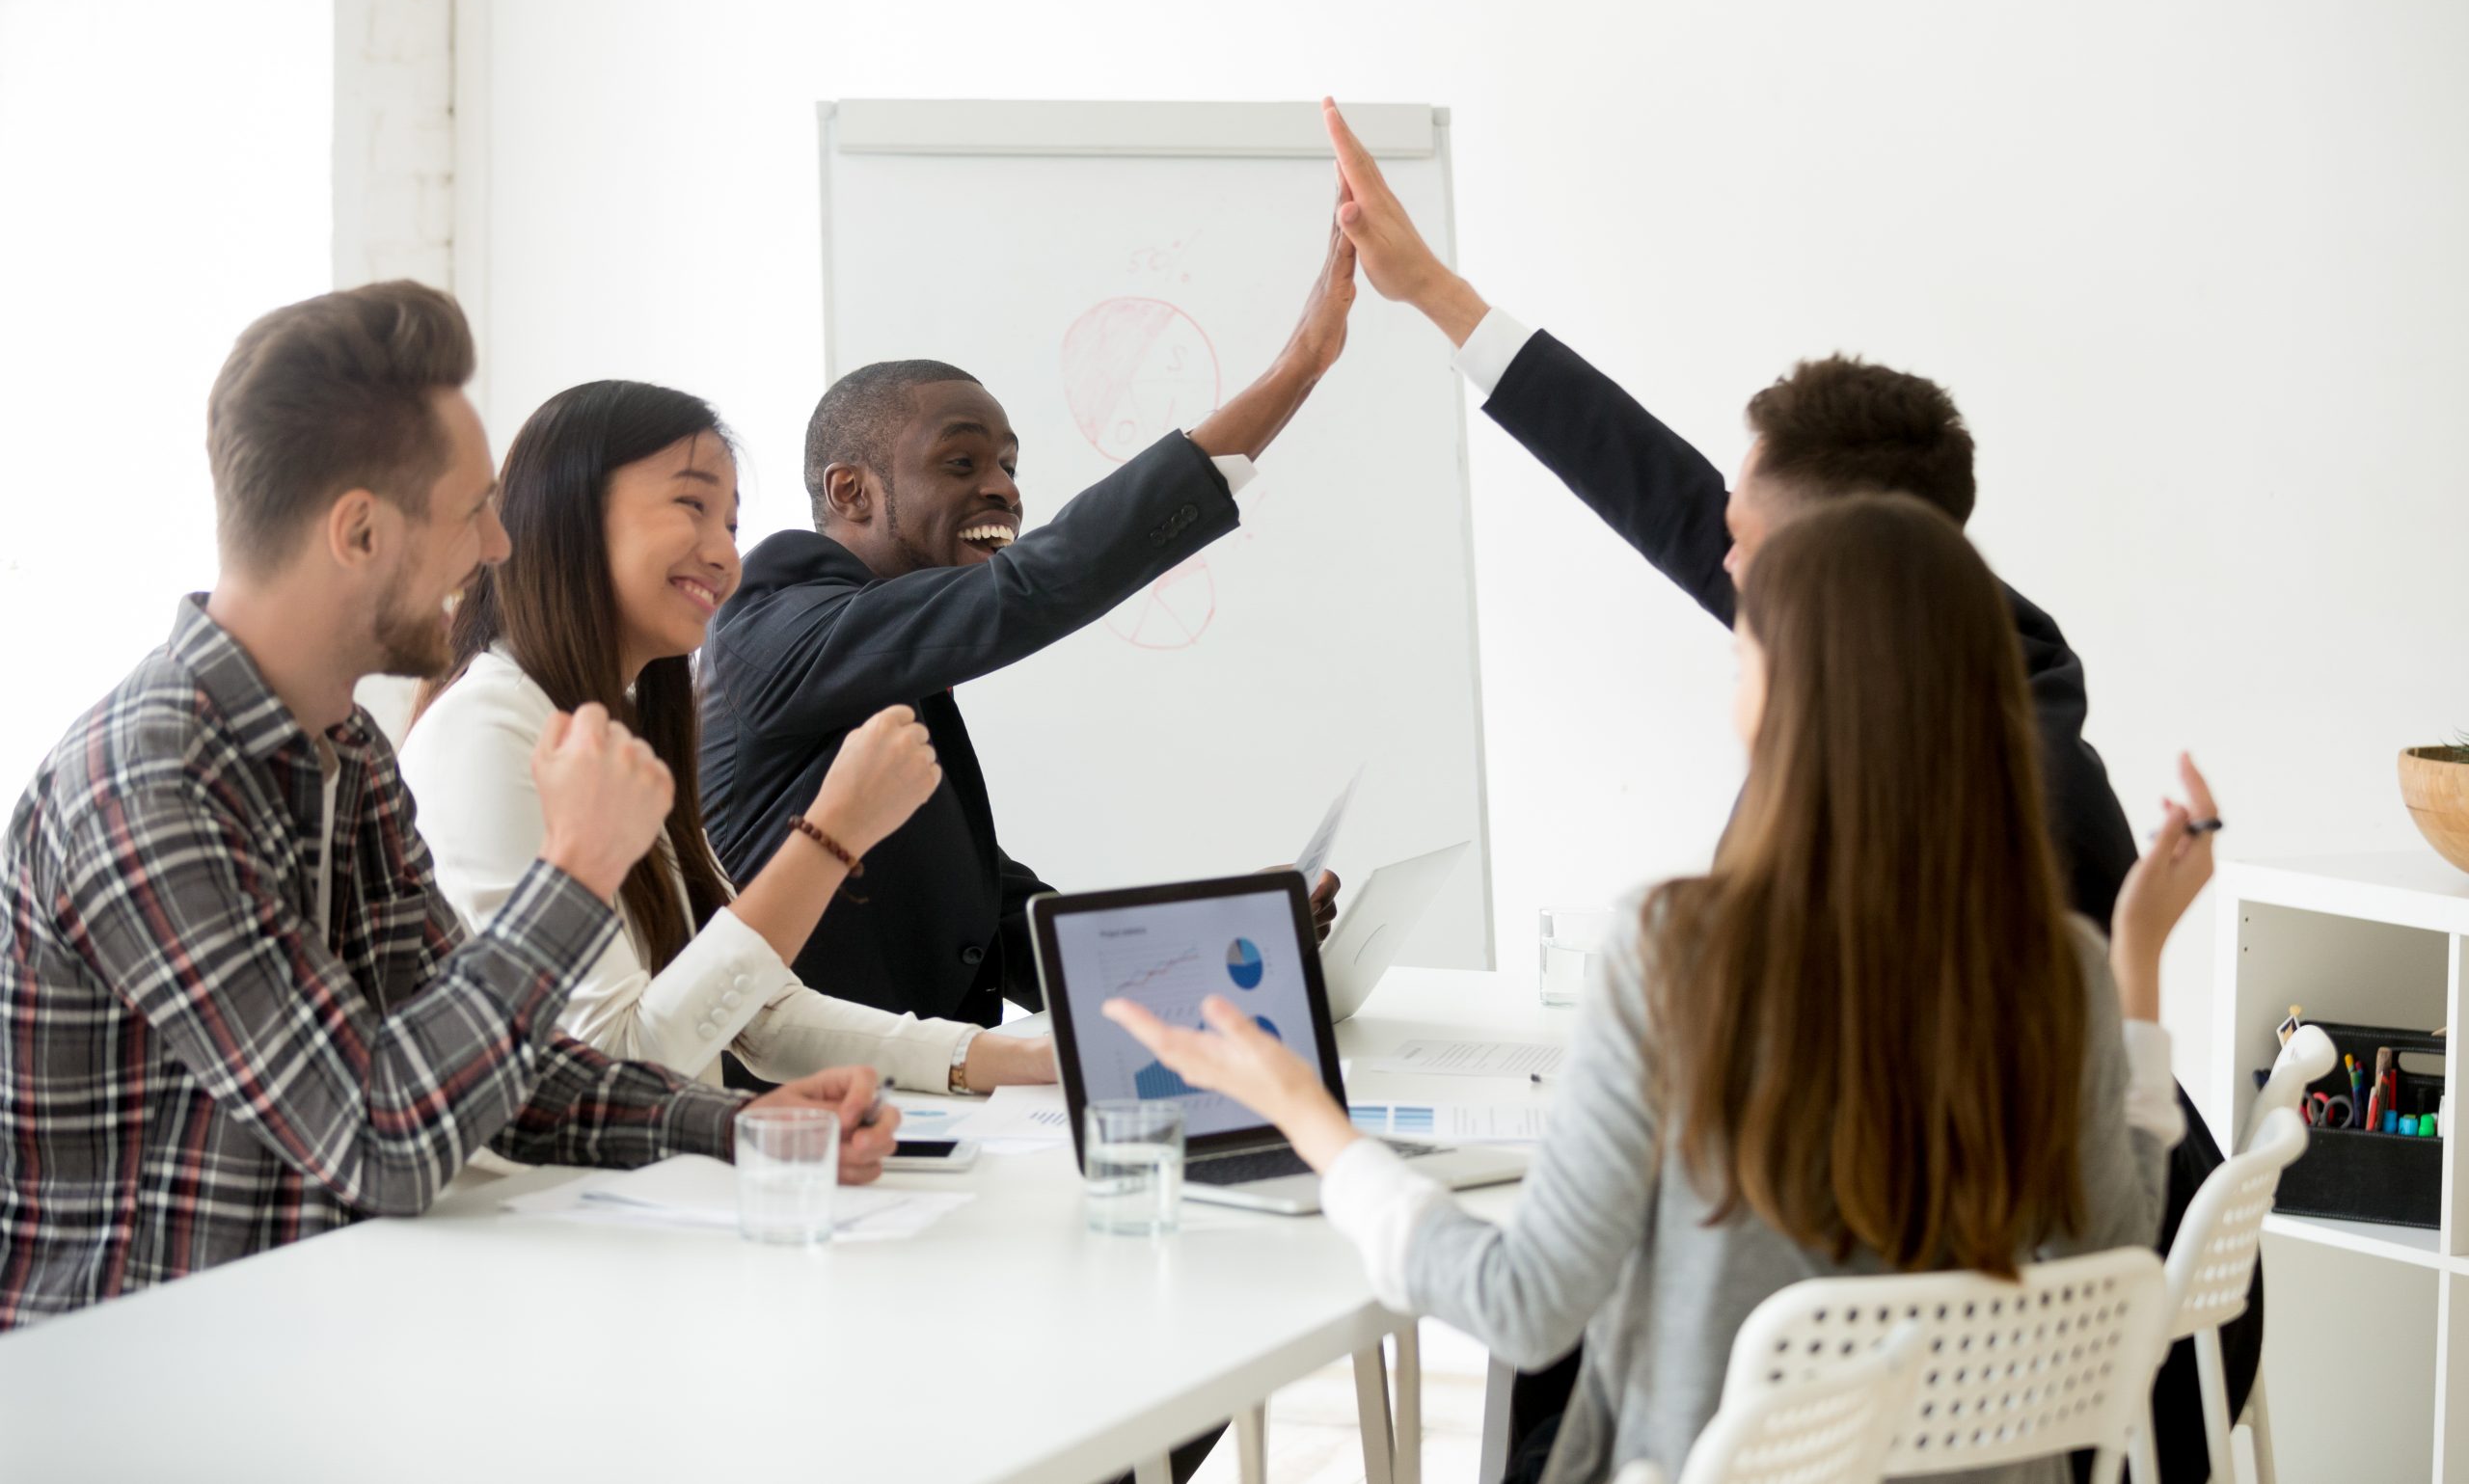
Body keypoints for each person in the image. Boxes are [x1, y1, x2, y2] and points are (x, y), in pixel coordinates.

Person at [1316, 98, 2251, 1483]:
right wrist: (1442, 297)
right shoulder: (1963, 681)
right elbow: (1674, 496)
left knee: (1569, 1332)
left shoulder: (2001, 789)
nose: (1725, 567)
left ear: (1834, 583)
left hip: (2010, 1366)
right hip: (1983, 1347)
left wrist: (1311, 1114)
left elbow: (1941, 1191)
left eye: (1748, 551)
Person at [1106, 495, 2211, 1484]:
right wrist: (2137, 962)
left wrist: (1311, 1118)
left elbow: (1523, 1307)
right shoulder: (2058, 968)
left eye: (1746, 659)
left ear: (1792, 698)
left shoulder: (1676, 953)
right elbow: (2118, 1257)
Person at [0, 283, 896, 1331]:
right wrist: (572, 877)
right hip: (144, 1380)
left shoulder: (350, 759)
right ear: (360, 532)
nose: (499, 548)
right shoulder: (149, 781)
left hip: (315, 1343)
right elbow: (384, 1137)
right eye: (471, 509)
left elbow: (486, 1066)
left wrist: (734, 1125)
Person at [699, 201, 1355, 1042]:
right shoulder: (773, 613)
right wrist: (1297, 367)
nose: (1004, 488)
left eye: (1010, 465)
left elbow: (1004, 930)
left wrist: (1221, 933)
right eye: (961, 461)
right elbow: (1031, 588)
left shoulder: (891, 673)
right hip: (794, 1122)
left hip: (925, 1110)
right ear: (850, 491)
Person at [400, 380, 1056, 1097]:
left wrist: (1010, 1061)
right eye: (693, 506)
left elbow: (758, 1017)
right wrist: (832, 833)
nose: (723, 556)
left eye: (733, 526)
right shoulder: (485, 731)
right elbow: (617, 1065)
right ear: (569, 513)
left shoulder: (622, 732)